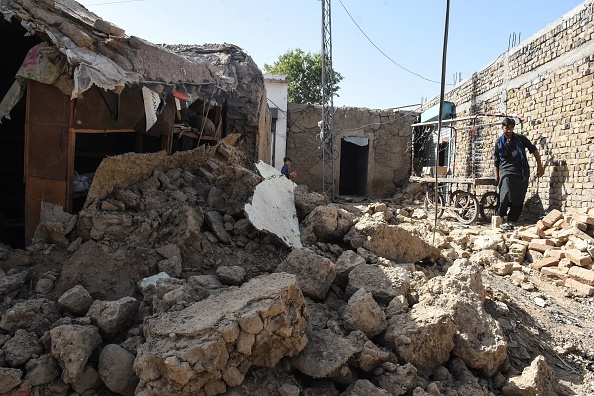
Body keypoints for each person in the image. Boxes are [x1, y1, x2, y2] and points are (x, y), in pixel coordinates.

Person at [493, 117, 544, 229]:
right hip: (506, 171)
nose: (508, 131)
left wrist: (540, 165)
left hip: (521, 172)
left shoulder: (520, 139)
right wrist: (497, 177)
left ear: (513, 128)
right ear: (503, 128)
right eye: (506, 128)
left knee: (519, 196)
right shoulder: (499, 143)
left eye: (510, 128)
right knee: (505, 192)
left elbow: (533, 149)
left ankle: (512, 220)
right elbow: (496, 162)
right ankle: (500, 216)